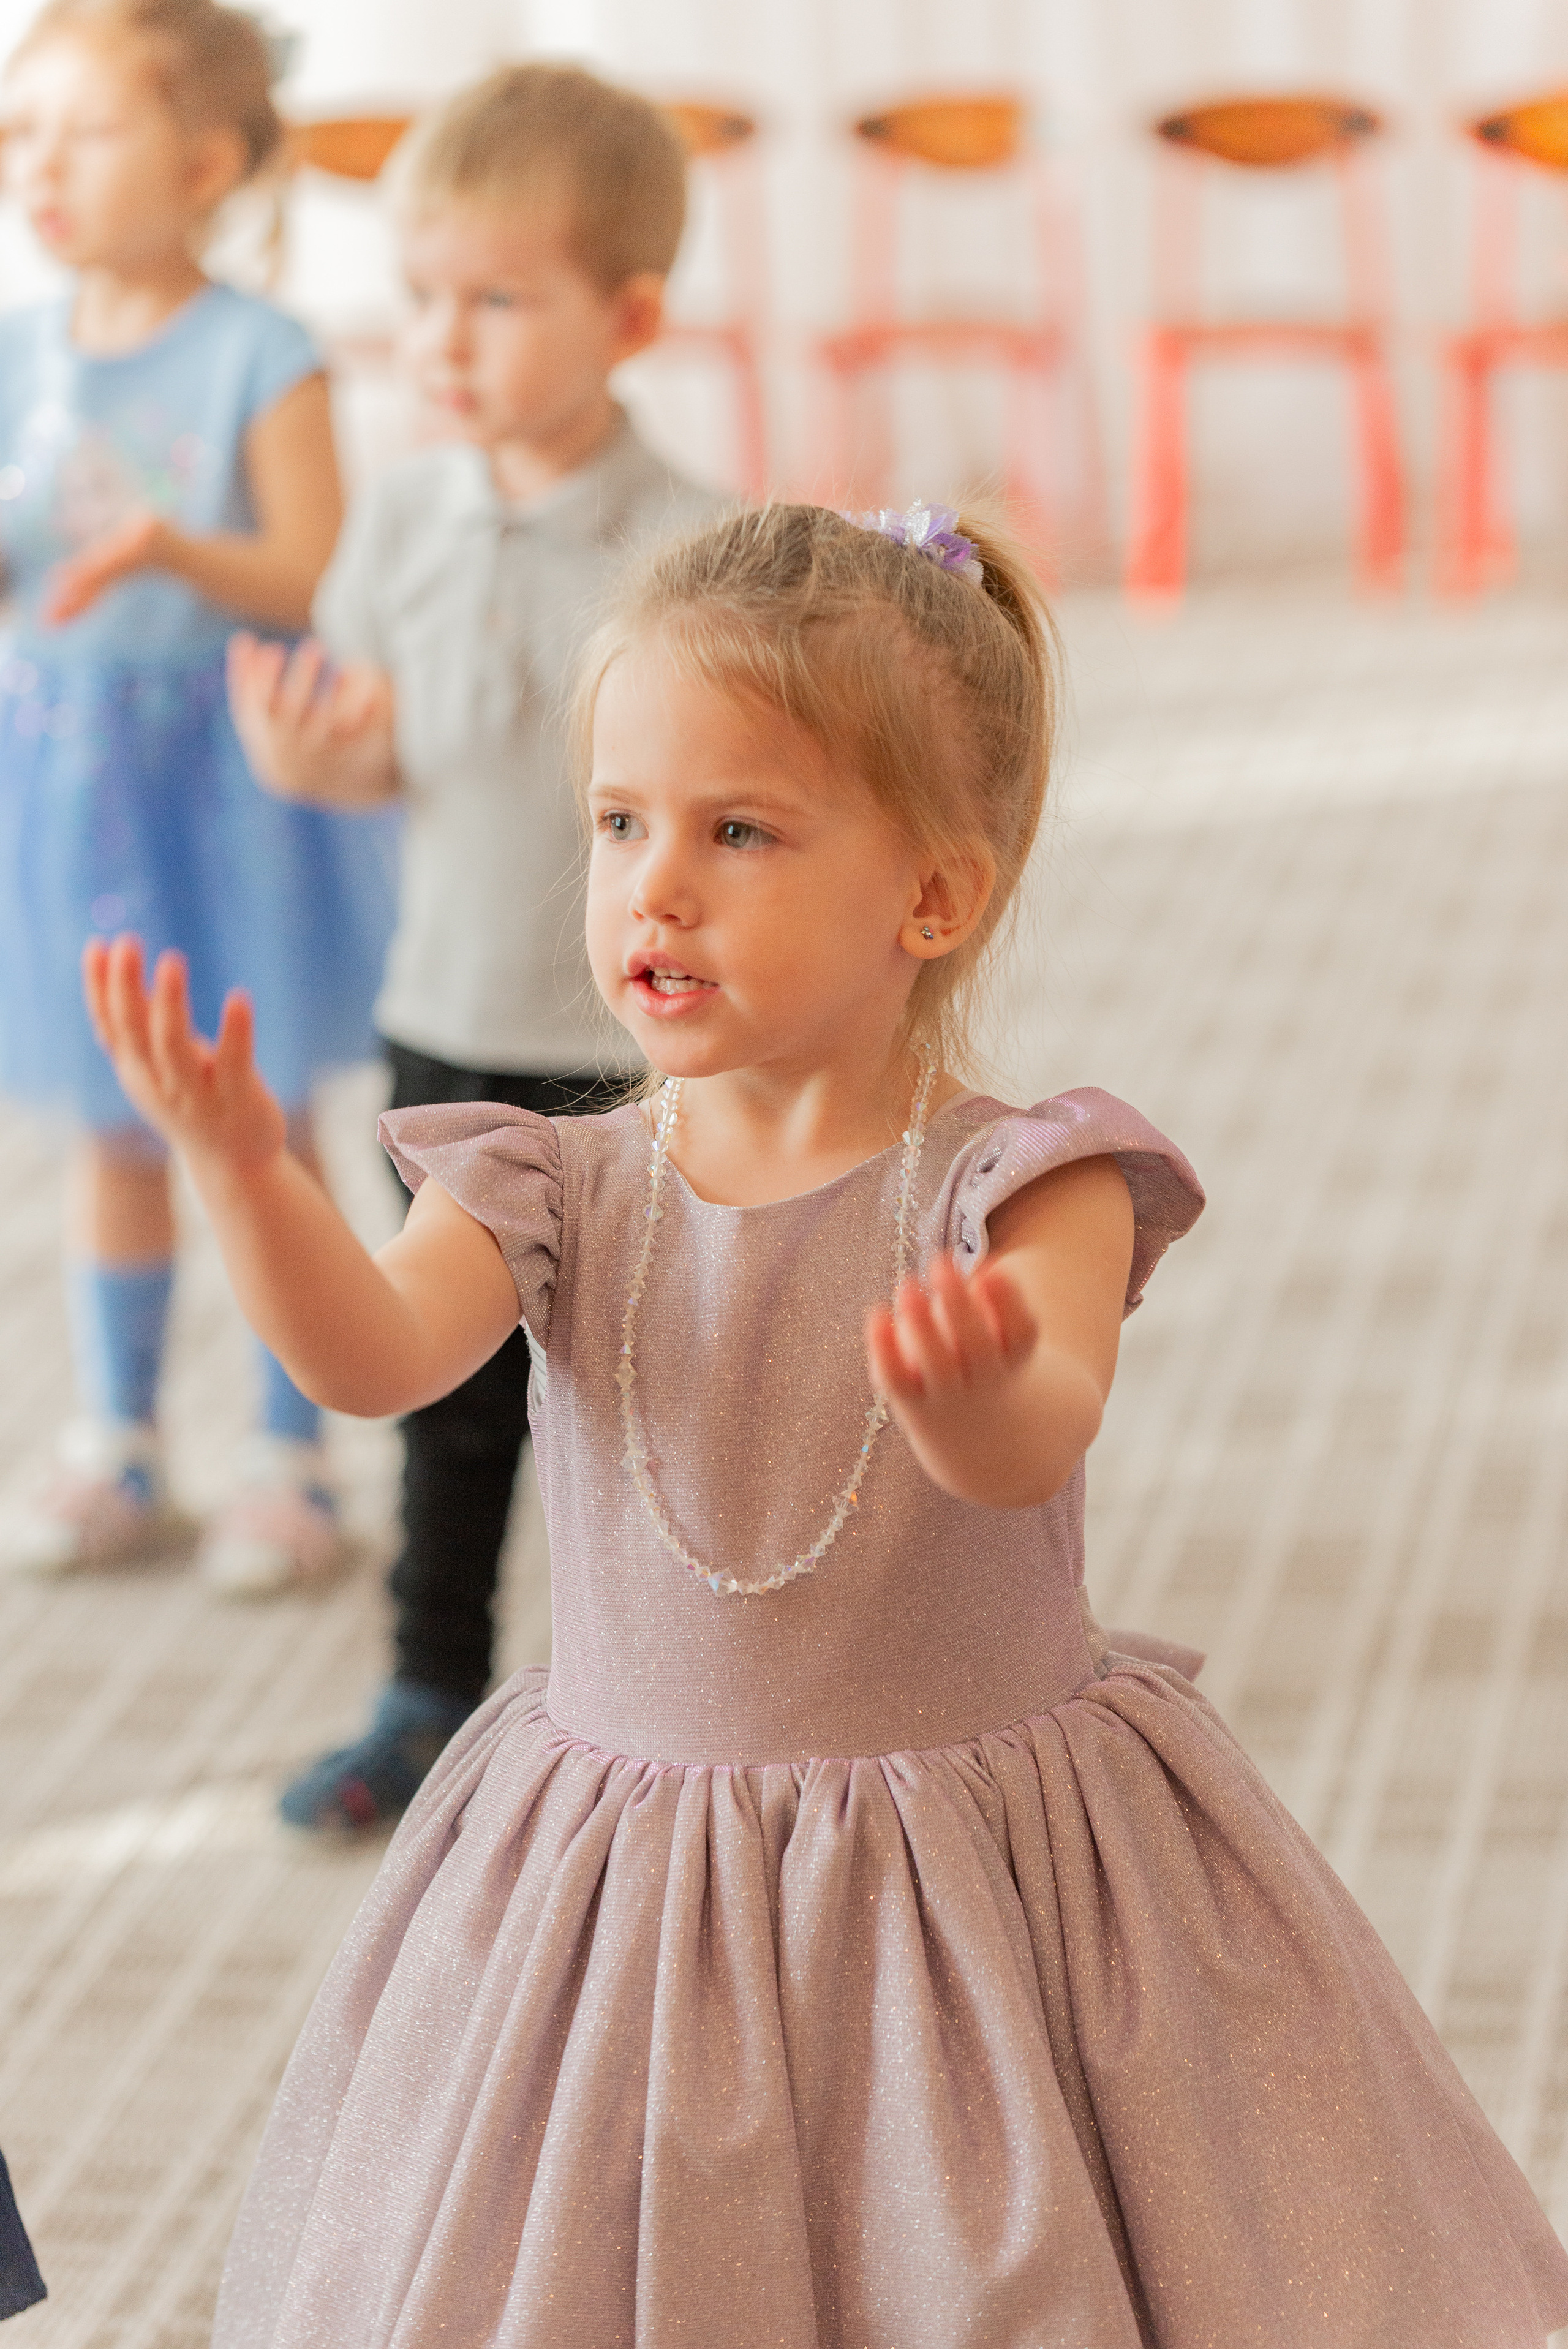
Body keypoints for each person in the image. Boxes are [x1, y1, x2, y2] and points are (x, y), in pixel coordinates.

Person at [88, 500, 1568, 2347]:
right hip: (624, 1885)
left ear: (931, 897)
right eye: (620, 823)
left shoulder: (1029, 1185)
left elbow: (1042, 1421)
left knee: (983, 2254)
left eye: (739, 832)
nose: (655, 885)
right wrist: (247, 1176)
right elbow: (374, 1358)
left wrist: (974, 1405)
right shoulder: (548, 1179)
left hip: (971, 1890)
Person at [226, 62, 726, 1833]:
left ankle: (666, 1698)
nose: (445, 338)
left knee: (650, 1395)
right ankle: (430, 1683)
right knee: (446, 1395)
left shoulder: (694, 551)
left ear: (630, 315)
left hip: (641, 1052)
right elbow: (386, 745)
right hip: (447, 1021)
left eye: (498, 301)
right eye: (422, 296)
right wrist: (315, 758)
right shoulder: (403, 514)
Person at [0, 0, 396, 1592]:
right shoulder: (18, 352)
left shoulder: (262, 352)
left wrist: (172, 548)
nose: (41, 163)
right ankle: (121, 1439)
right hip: (69, 781)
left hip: (228, 786)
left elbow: (313, 570)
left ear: (207, 161)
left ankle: (290, 1457)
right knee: (111, 1120)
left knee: (256, 1121)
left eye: (84, 130)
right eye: (23, 132)